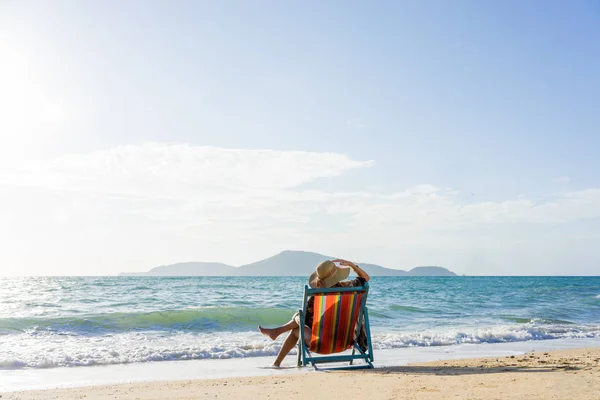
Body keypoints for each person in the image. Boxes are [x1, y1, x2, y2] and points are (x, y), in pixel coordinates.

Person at [258, 258, 370, 368]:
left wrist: (298, 316)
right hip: (345, 341)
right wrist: (352, 265)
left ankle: (277, 355)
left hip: (322, 344)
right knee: (299, 322)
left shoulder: (318, 297)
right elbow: (366, 278)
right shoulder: (352, 288)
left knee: (298, 323)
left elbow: (304, 320)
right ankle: (276, 334)